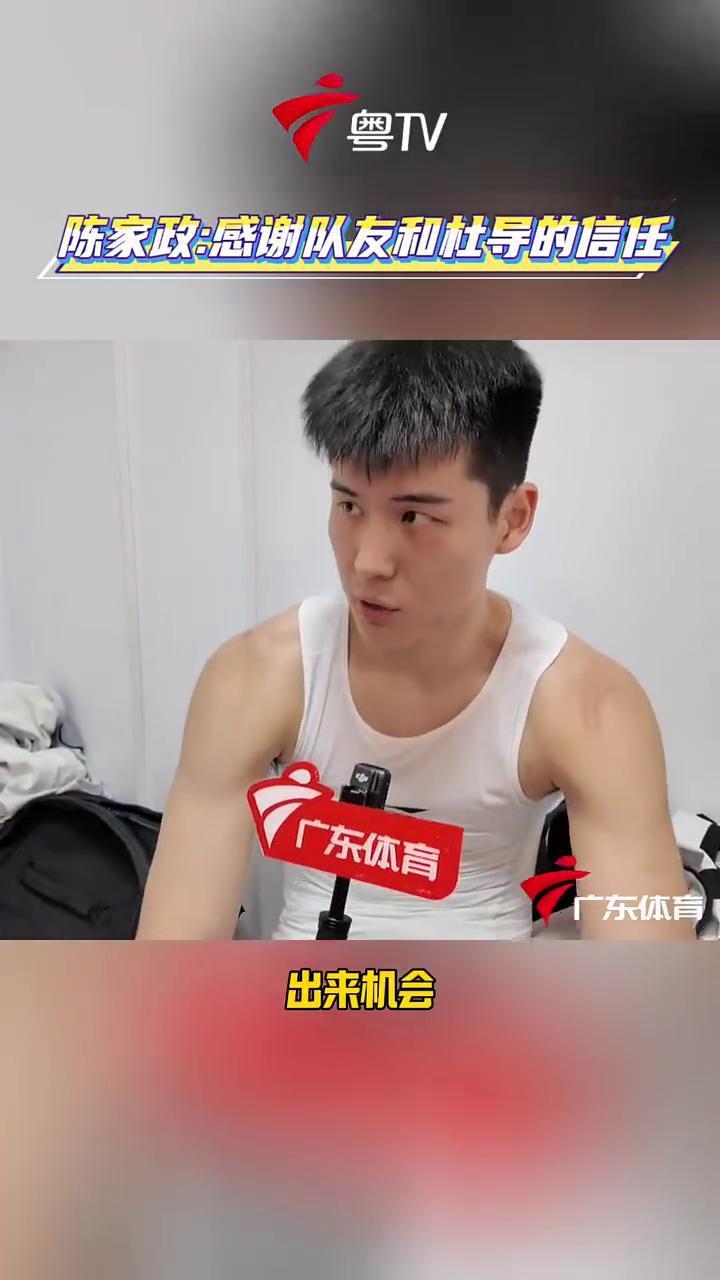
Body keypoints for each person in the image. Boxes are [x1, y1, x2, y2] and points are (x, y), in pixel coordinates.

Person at [136, 340, 693, 941]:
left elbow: (644, 971)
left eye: (414, 517)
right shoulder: (255, 677)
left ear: (512, 519)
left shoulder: (588, 705)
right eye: (349, 505)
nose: (368, 563)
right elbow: (172, 958)